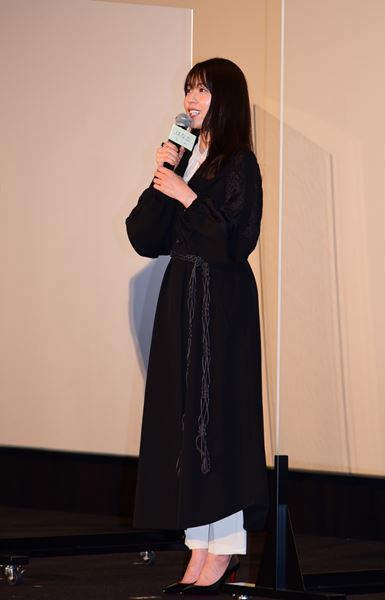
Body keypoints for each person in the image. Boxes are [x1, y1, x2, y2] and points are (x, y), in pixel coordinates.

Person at [126, 58, 268, 595]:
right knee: (184, 421)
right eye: (189, 89)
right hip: (182, 298)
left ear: (225, 99)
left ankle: (224, 549)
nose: (191, 99)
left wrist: (187, 195)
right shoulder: (185, 157)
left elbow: (235, 242)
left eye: (203, 90)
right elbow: (145, 237)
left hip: (221, 305)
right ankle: (197, 549)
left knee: (218, 421)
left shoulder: (240, 165)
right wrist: (165, 175)